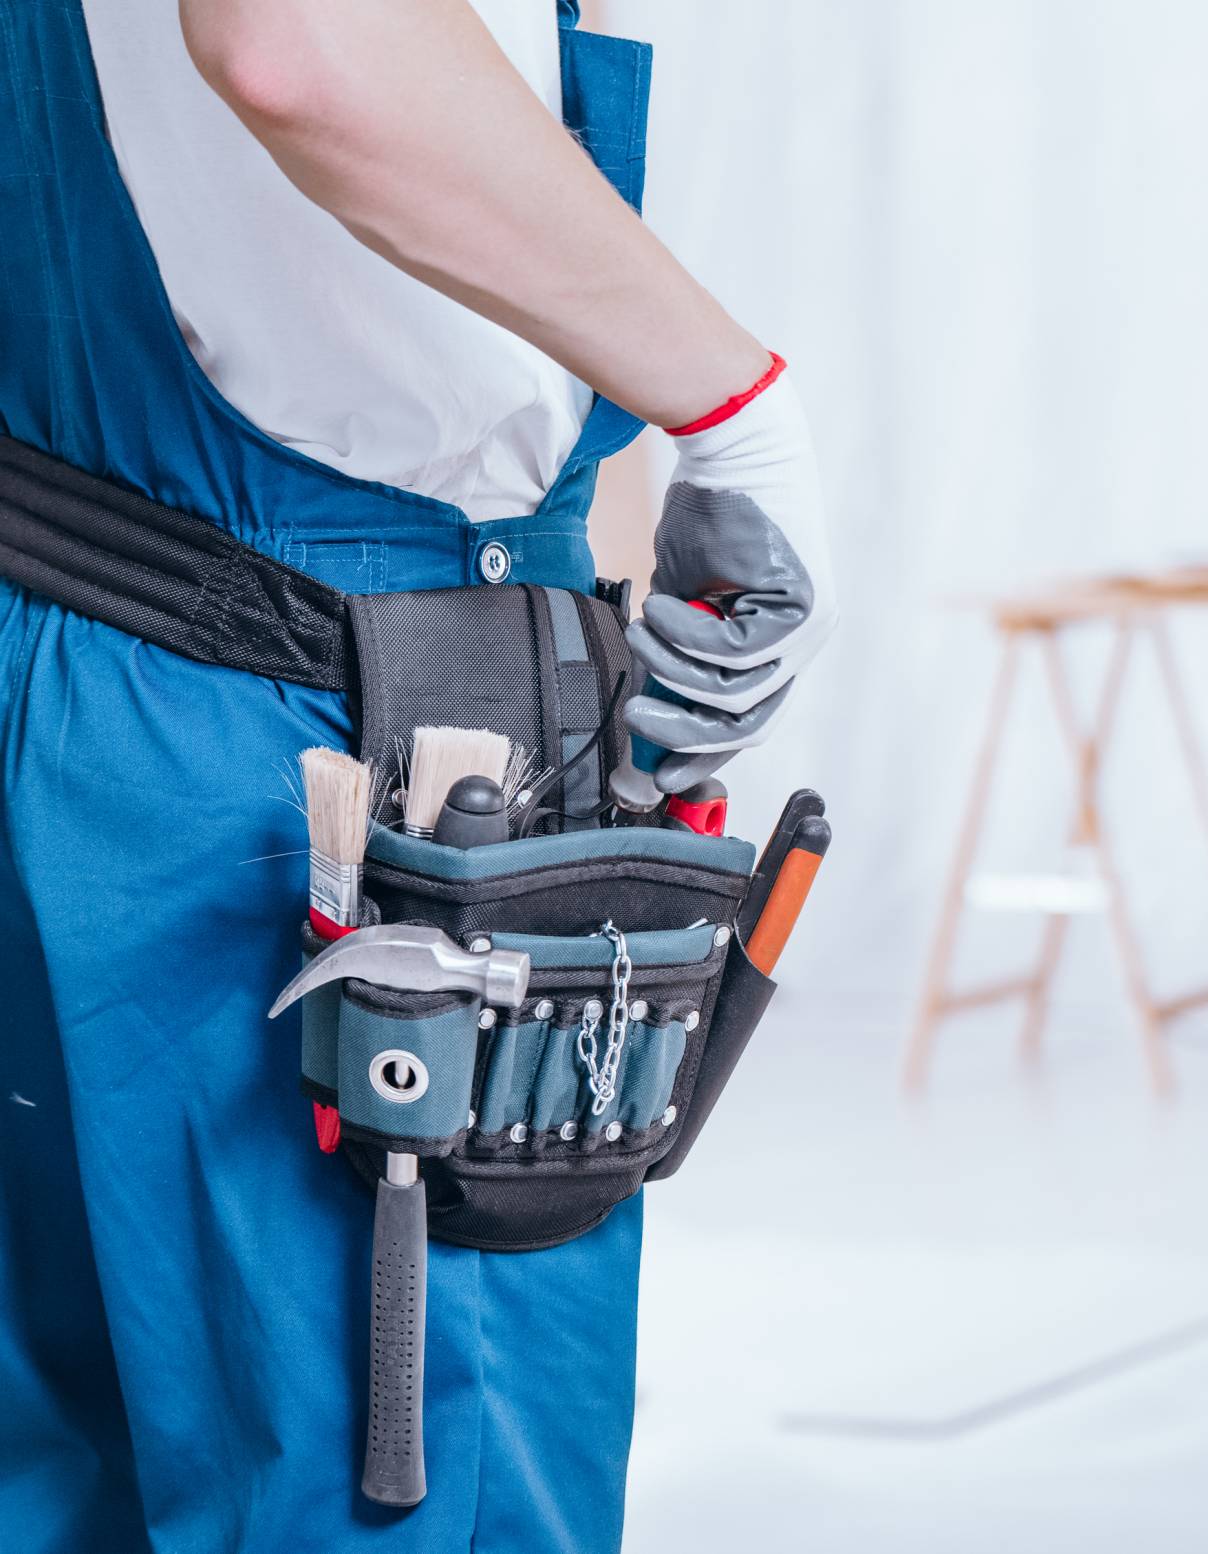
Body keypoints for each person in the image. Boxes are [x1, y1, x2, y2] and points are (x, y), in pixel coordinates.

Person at [0, 2, 830, 1549]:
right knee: (417, 1495)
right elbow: (307, 42)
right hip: (325, 730)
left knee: (73, 1476)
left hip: (74, 652)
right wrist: (738, 411)